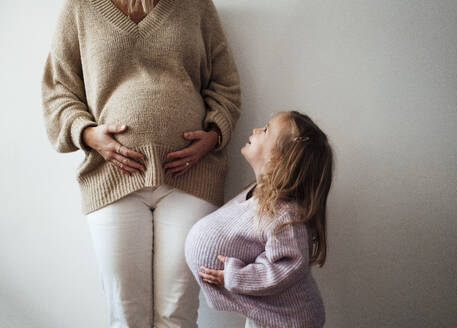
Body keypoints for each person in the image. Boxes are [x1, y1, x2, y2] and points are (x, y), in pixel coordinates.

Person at [40, 0, 241, 327]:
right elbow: (57, 92)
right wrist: (90, 135)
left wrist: (214, 135)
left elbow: (226, 85)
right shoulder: (80, 8)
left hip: (191, 178)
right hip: (111, 178)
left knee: (177, 313)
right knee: (126, 315)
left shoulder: (197, 6)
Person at [184, 110, 334, 328]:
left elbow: (287, 267)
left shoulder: (285, 215)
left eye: (265, 130)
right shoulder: (258, 193)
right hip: (265, 314)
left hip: (288, 321)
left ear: (276, 159)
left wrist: (234, 277)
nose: (256, 130)